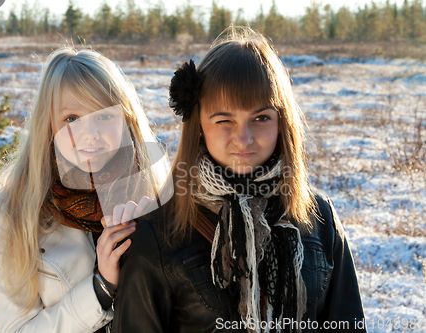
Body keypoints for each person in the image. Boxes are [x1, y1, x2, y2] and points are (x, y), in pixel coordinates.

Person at [112, 27, 366, 333]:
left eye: (260, 118)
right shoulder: (160, 234)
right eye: (224, 120)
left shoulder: (319, 218)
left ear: (282, 123)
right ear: (199, 125)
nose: (244, 139)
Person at [0, 47, 170, 333]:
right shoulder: (12, 212)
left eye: (104, 116)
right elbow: (18, 329)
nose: (89, 132)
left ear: (125, 119)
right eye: (71, 118)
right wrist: (101, 287)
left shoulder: (157, 194)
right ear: (49, 125)